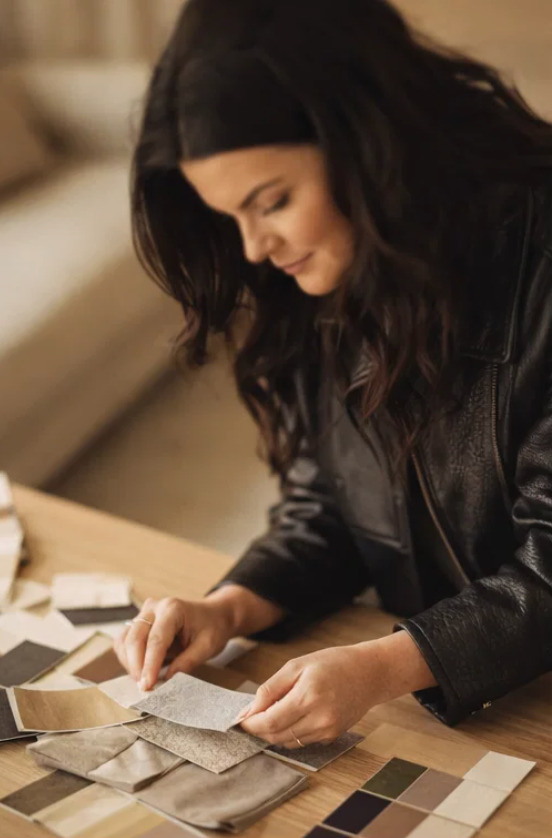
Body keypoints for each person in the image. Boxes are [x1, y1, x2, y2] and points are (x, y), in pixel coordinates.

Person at [115, 0, 552, 749]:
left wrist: (382, 667)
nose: (254, 248)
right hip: (471, 705)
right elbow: (336, 501)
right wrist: (229, 609)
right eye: (231, 218)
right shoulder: (335, 265)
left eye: (272, 202)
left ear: (366, 140)